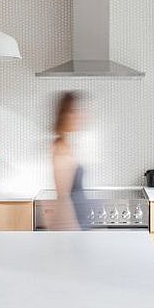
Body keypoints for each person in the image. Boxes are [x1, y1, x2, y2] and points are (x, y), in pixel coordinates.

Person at [48, 91, 88, 230]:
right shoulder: (60, 149)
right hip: (74, 224)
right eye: (74, 111)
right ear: (64, 115)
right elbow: (64, 197)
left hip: (79, 222)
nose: (79, 116)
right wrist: (73, 232)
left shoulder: (66, 145)